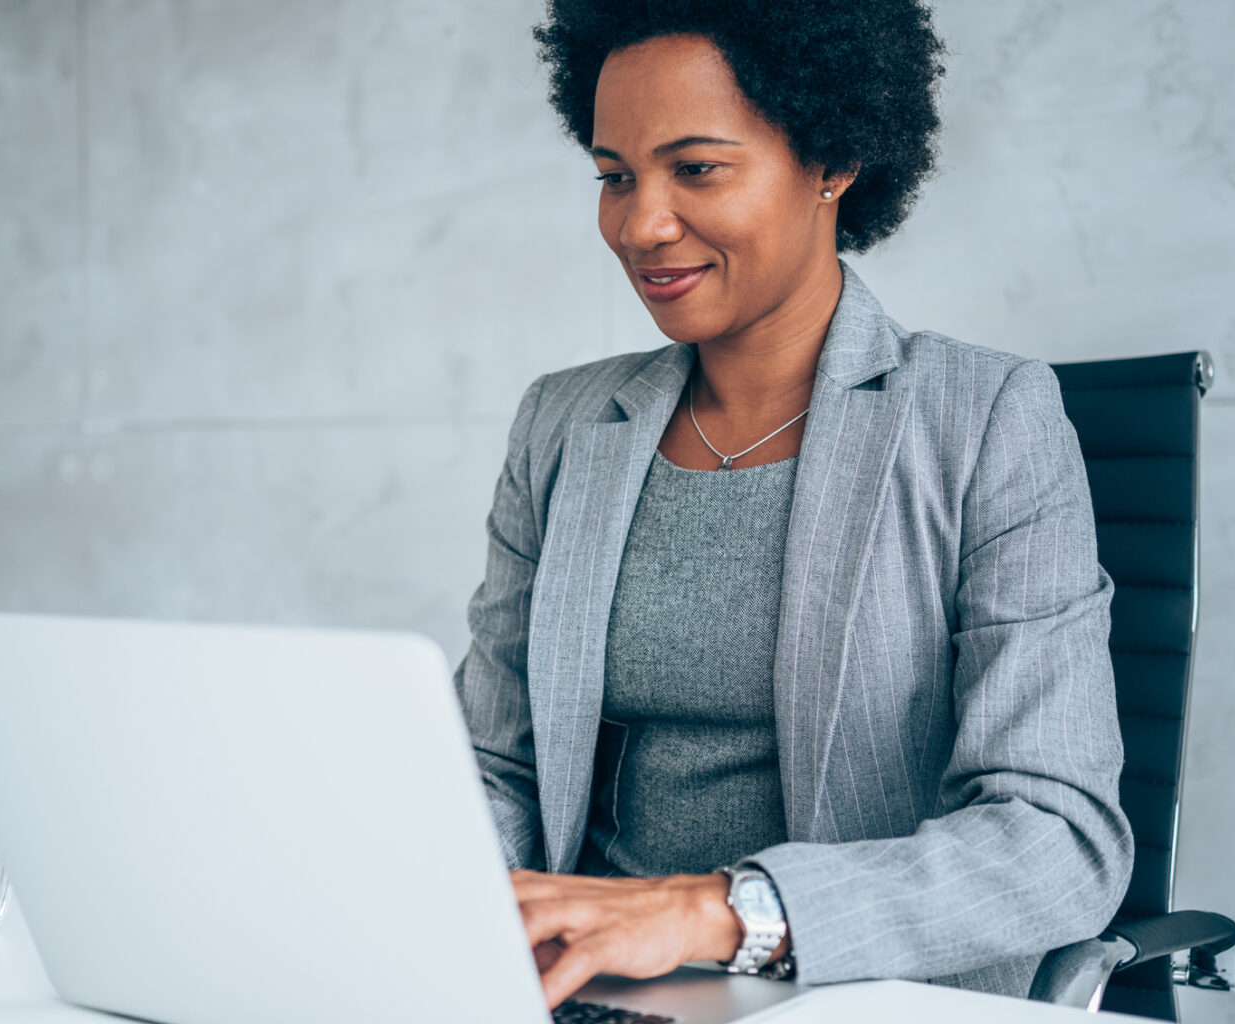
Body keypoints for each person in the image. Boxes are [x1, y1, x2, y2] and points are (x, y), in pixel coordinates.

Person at [451, 0, 1133, 1010]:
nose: (640, 225)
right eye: (614, 177)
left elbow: (1056, 838)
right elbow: (496, 764)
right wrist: (449, 899)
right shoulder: (564, 423)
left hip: (842, 989)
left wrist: (716, 911)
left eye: (697, 168)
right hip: (586, 994)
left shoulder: (985, 420)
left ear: (832, 159)